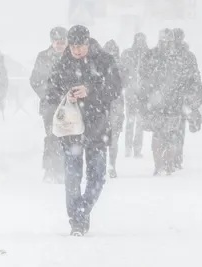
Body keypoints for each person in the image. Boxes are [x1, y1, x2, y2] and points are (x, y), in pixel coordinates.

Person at [47, 25, 122, 236]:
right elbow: (51, 89)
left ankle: (82, 211)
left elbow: (115, 88)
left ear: (88, 43)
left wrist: (89, 90)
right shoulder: (64, 62)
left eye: (80, 46)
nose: (77, 51)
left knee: (97, 177)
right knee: (72, 177)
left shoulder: (105, 61)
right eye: (73, 47)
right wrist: (66, 94)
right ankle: (76, 222)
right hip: (71, 129)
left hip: (97, 128)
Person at [139, 29, 190, 175]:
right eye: (164, 40)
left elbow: (184, 78)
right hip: (158, 102)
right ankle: (160, 165)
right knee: (160, 134)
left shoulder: (177, 57)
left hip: (171, 102)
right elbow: (143, 77)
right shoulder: (153, 55)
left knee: (168, 135)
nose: (166, 43)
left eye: (168, 41)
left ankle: (167, 165)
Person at [30, 26, 68, 183]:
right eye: (56, 42)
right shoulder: (43, 57)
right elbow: (35, 80)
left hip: (68, 105)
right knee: (51, 136)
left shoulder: (71, 57)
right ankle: (49, 169)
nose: (59, 45)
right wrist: (47, 94)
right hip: (49, 105)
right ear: (52, 42)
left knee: (65, 137)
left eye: (62, 42)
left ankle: (63, 169)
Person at [173, 28, 202, 169]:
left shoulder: (173, 55)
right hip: (176, 97)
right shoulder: (186, 56)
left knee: (175, 129)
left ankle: (174, 158)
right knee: (176, 129)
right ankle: (174, 158)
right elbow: (195, 77)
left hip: (176, 97)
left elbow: (195, 77)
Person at [121, 33, 149, 158]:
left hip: (140, 94)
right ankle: (129, 148)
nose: (140, 43)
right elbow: (122, 72)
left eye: (141, 40)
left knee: (138, 122)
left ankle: (136, 149)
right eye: (138, 40)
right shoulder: (129, 54)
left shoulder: (149, 55)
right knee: (132, 121)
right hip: (132, 93)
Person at [103, 40, 125, 178]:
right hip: (110, 104)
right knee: (113, 138)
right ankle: (110, 165)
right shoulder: (120, 66)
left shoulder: (99, 65)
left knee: (108, 138)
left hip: (108, 104)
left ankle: (109, 165)